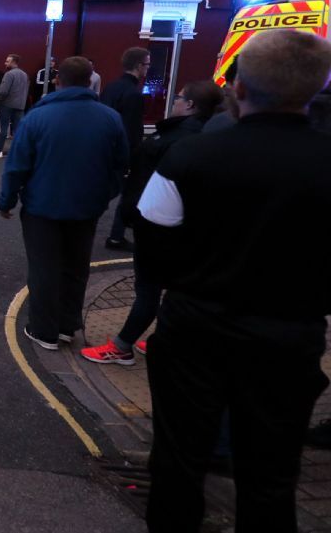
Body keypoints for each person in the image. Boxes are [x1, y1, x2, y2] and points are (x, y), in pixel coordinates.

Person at [136, 30, 331, 532]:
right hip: (289, 337)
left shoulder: (189, 157)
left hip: (194, 329)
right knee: (272, 476)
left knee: (178, 464)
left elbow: (151, 247)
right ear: (315, 89)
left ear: (238, 87)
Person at [81, 80, 223, 365]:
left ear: (190, 105)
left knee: (149, 289)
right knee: (171, 288)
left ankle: (122, 347)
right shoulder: (200, 136)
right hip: (171, 226)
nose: (175, 101)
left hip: (158, 228)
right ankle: (167, 338)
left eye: (179, 97)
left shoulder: (181, 140)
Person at [0, 56, 127, 350]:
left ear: (57, 80)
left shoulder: (37, 118)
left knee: (44, 268)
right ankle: (68, 325)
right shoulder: (110, 118)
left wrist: (7, 201)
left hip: (42, 208)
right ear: (90, 80)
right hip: (86, 208)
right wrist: (103, 196)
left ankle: (44, 331)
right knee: (76, 267)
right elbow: (120, 166)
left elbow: (17, 166)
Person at [99, 47, 150, 251]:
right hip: (121, 152)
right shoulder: (134, 94)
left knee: (103, 191)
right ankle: (116, 237)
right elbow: (131, 130)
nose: (148, 68)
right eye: (147, 64)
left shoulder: (111, 87)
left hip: (104, 147)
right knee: (123, 193)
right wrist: (130, 159)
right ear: (138, 66)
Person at [0, 53, 29, 155]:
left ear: (13, 62)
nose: (5, 63)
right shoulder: (24, 75)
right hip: (20, 105)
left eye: (7, 61)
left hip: (7, 104)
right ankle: (18, 151)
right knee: (18, 130)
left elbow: (3, 91)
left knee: (4, 128)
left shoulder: (9, 74)